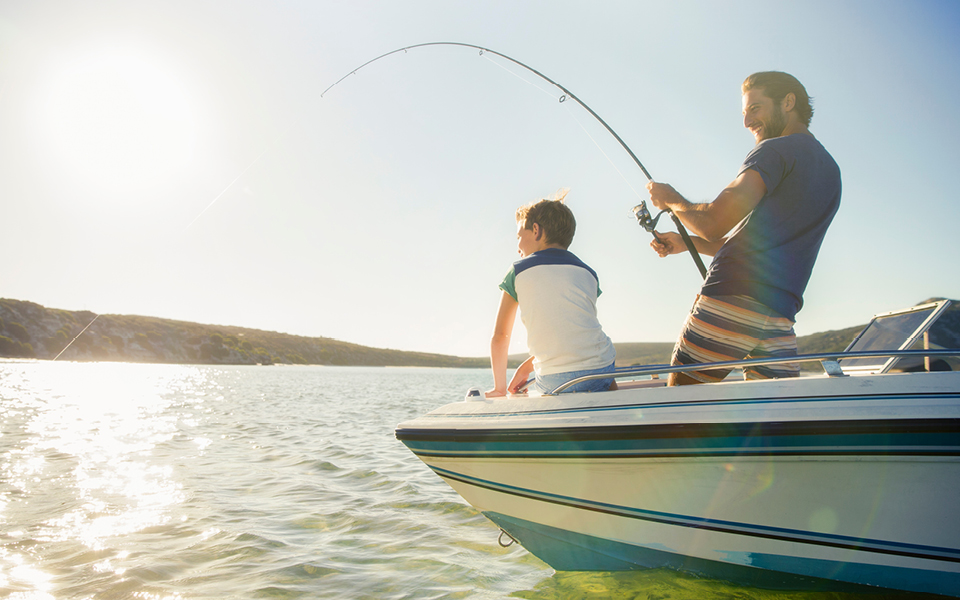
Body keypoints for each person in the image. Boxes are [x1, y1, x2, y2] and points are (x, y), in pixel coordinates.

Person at [647, 71, 841, 385]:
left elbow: (713, 223)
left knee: (681, 410)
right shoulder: (831, 171)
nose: (747, 122)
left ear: (788, 102)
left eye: (755, 109)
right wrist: (686, 243)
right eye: (744, 113)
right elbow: (766, 245)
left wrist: (670, 199)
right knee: (771, 422)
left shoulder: (774, 151)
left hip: (732, 298)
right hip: (779, 315)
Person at [485, 193, 617, 397]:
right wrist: (526, 367)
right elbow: (574, 334)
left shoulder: (518, 271)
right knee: (602, 368)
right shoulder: (589, 273)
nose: (518, 245)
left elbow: (500, 337)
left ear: (536, 230)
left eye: (519, 236)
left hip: (554, 379)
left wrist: (499, 388)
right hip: (603, 369)